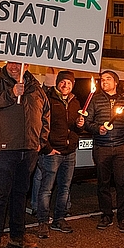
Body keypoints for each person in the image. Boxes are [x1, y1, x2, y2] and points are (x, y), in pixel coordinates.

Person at [0, 61, 49, 248]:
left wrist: (40, 141)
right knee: (0, 196)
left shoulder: (35, 87)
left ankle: (17, 236)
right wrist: (11, 93)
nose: (14, 67)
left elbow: (45, 114)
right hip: (3, 149)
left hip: (28, 150)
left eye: (19, 64)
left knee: (20, 194)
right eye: (11, 62)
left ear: (26, 65)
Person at [79, 70, 124, 233]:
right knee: (103, 183)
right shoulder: (95, 100)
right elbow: (86, 122)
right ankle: (106, 214)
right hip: (102, 147)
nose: (104, 81)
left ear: (116, 82)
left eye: (108, 79)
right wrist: (98, 129)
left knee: (122, 183)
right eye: (102, 79)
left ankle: (123, 216)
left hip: (120, 147)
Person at [36, 71, 81, 238]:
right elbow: (40, 124)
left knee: (65, 187)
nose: (65, 86)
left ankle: (59, 218)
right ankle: (42, 221)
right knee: (46, 188)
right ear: (57, 82)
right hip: (53, 151)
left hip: (69, 152)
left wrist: (79, 125)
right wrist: (46, 148)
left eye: (69, 83)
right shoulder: (48, 99)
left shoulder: (75, 102)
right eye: (63, 82)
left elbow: (76, 127)